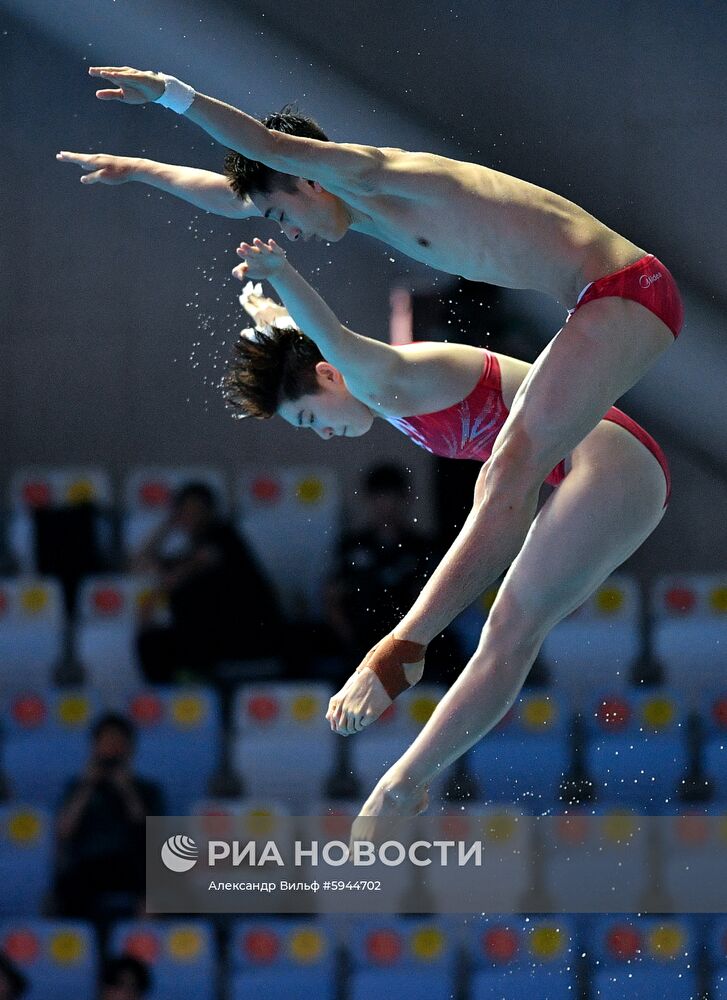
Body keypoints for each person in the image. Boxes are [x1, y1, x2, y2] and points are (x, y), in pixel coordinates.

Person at [58, 65, 683, 751]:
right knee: (512, 580)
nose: (283, 232)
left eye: (278, 214)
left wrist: (176, 98)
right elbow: (231, 194)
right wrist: (139, 169)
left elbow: (268, 150)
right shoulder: (349, 220)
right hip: (598, 308)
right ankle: (404, 772)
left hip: (620, 290)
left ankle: (400, 649)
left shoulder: (376, 174)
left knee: (508, 471)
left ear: (302, 179)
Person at [223, 237, 671, 822]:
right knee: (507, 628)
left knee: (511, 626)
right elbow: (311, 345)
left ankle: (398, 703)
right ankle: (405, 768)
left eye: (310, 418)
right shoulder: (373, 387)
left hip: (610, 463)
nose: (321, 434)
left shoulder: (382, 374)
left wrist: (284, 276)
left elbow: (326, 335)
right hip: (601, 467)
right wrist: (272, 322)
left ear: (330, 376)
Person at [131, 480, 282, 681]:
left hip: (244, 635)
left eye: (198, 510)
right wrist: (167, 525)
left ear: (210, 512)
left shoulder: (224, 537)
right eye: (185, 511)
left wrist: (156, 596)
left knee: (157, 642)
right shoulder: (190, 549)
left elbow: (191, 568)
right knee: (150, 642)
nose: (192, 517)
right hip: (210, 638)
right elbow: (140, 564)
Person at [325, 462, 461, 685]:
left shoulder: (422, 547)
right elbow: (332, 598)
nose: (387, 506)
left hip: (414, 639)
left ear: (405, 499)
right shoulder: (352, 545)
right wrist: (351, 641)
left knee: (451, 654)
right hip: (364, 638)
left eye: (393, 497)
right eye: (380, 497)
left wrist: (416, 641)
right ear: (370, 500)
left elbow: (439, 599)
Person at [55, 713, 164, 921]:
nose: (112, 748)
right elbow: (64, 830)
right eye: (106, 742)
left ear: (130, 748)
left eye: (118, 742)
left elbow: (152, 833)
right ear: (94, 746)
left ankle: (141, 941)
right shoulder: (77, 788)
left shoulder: (148, 790)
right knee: (66, 887)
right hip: (89, 863)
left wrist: (127, 791)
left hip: (132, 863)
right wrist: (86, 788)